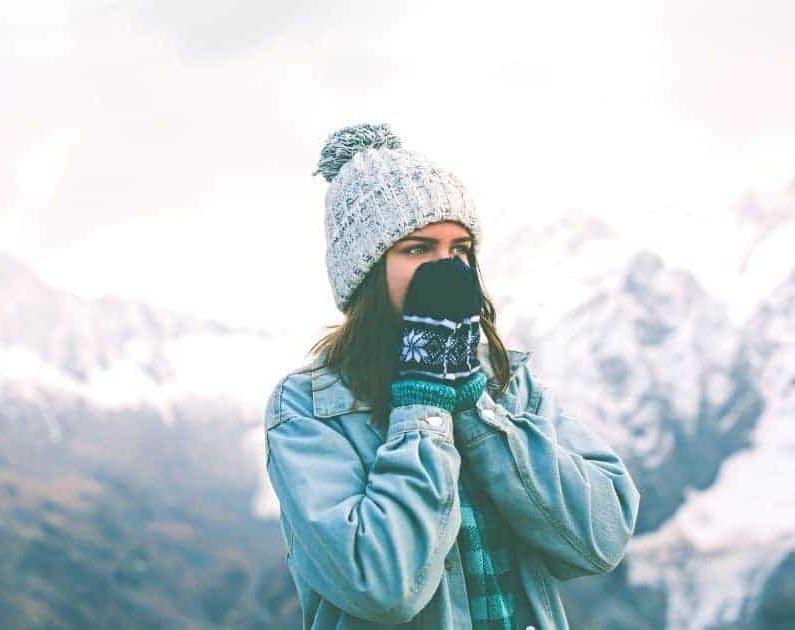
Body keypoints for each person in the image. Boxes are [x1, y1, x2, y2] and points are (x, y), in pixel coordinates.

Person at [263, 122, 641, 629]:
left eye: (459, 250)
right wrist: (423, 401)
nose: (446, 268)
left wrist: (475, 407)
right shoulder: (311, 407)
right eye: (418, 249)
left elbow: (602, 537)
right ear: (367, 273)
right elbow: (382, 586)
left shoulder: (507, 382)